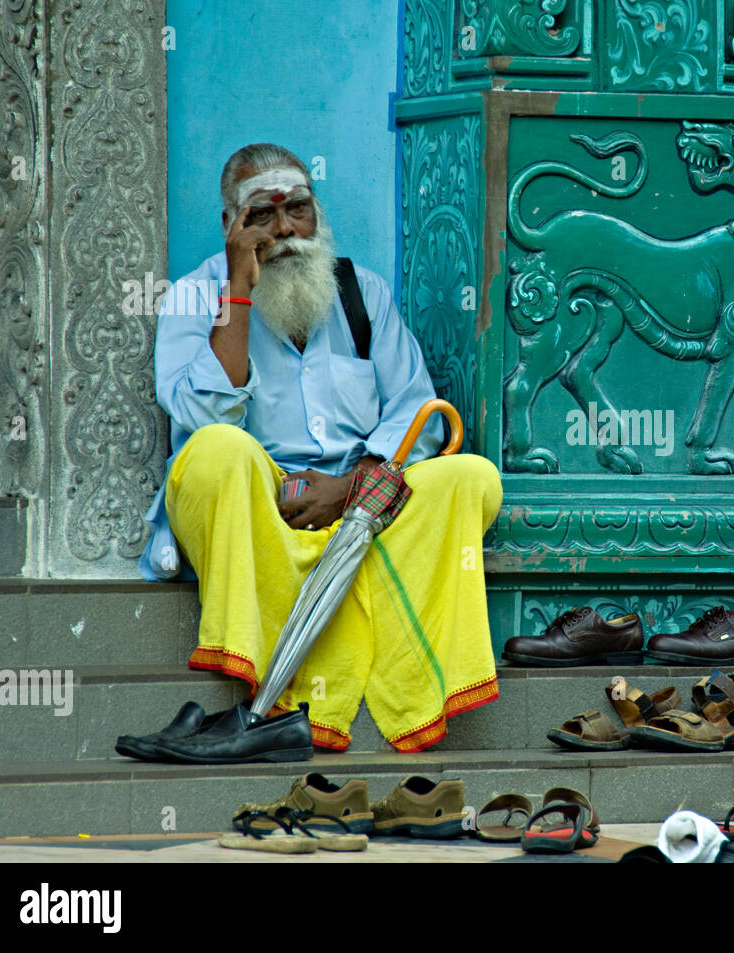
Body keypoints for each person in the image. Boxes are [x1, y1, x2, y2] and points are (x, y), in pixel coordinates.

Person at [139, 143, 502, 752]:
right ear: (231, 224)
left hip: (360, 502)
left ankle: (396, 670)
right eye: (262, 215)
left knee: (471, 476)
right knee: (220, 451)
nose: (284, 230)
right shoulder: (193, 297)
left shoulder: (362, 293)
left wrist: (353, 486)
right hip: (261, 505)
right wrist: (240, 291)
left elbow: (417, 410)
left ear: (317, 213)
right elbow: (202, 416)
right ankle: (262, 676)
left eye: (298, 210)